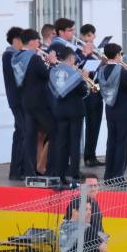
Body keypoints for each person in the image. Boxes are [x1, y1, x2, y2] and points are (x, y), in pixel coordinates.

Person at [96, 43, 127, 182]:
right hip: (123, 111)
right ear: (117, 55)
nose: (121, 56)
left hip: (110, 110)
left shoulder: (101, 70)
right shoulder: (122, 71)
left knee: (111, 142)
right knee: (122, 144)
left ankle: (108, 175)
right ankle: (118, 176)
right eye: (121, 54)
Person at [48, 47, 87, 183]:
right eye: (74, 59)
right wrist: (84, 78)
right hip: (75, 110)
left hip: (59, 110)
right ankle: (75, 173)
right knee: (75, 143)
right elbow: (82, 91)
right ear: (70, 58)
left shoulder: (53, 71)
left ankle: (60, 174)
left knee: (61, 143)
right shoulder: (74, 73)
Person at [19, 28, 53, 176]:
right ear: (32, 41)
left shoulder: (19, 56)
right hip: (39, 101)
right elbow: (46, 75)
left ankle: (31, 169)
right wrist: (51, 62)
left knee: (34, 136)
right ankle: (42, 165)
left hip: (26, 101)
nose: (39, 43)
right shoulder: (34, 58)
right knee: (55, 131)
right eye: (38, 40)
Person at [1, 26, 30, 182]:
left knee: (21, 132)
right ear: (16, 40)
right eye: (23, 40)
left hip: (21, 99)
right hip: (17, 100)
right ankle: (17, 170)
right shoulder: (9, 55)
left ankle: (19, 169)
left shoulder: (16, 55)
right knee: (23, 133)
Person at [74, 24, 105, 167]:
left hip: (96, 90)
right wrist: (85, 55)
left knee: (95, 125)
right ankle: (80, 157)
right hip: (84, 92)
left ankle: (90, 155)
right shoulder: (76, 50)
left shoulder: (94, 51)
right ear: (82, 36)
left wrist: (99, 57)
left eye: (92, 36)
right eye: (87, 36)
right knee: (83, 125)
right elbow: (76, 65)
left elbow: (101, 67)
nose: (90, 39)